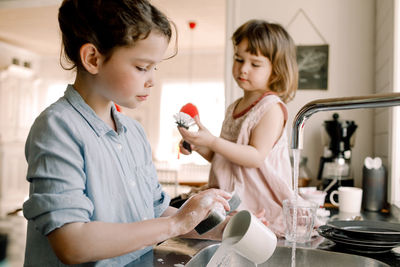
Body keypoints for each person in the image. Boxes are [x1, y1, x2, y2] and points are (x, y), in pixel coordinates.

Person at [22, 1, 232, 266]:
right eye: (142, 67)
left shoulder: (133, 132)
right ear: (93, 59)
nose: (152, 79)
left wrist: (221, 225)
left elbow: (153, 213)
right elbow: (72, 243)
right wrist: (178, 223)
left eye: (155, 67)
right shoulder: (57, 128)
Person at [177, 19, 298, 236]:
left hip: (262, 210)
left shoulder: (271, 108)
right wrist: (198, 145)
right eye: (238, 59)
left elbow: (254, 157)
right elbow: (224, 159)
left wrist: (213, 141)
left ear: (276, 70)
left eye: (255, 64)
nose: (243, 69)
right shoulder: (234, 107)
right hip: (232, 207)